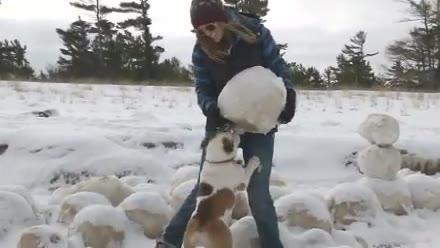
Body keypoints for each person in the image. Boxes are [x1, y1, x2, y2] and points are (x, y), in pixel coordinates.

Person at [156, 0, 296, 247]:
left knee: (258, 193)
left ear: (223, 20)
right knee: (205, 187)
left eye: (209, 27)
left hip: (259, 122)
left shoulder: (256, 33)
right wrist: (211, 109)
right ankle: (169, 241)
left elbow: (277, 67)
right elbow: (202, 87)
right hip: (222, 123)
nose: (206, 34)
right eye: (199, 31)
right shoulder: (201, 49)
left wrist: (288, 95)